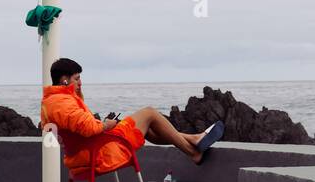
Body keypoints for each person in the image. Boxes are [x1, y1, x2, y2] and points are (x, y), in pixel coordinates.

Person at [40, 57, 223, 175]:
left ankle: (194, 138)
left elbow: (55, 127)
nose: (80, 82)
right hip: (101, 153)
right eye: (77, 78)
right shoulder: (64, 102)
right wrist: (107, 125)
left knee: (150, 129)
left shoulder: (50, 103)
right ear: (65, 79)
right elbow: (89, 128)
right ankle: (193, 152)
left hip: (83, 155)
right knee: (150, 112)